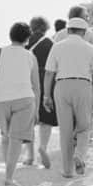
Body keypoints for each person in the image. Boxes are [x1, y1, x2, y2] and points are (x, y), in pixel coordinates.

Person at [42, 17, 93, 177]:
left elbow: (49, 72)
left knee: (65, 130)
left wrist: (46, 95)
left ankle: (67, 170)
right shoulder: (90, 48)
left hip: (61, 86)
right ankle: (80, 155)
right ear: (84, 32)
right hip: (83, 86)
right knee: (84, 127)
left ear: (68, 30)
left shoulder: (57, 46)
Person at [0, 23, 40, 186]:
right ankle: (9, 178)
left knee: (6, 136)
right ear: (27, 39)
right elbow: (36, 86)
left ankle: (8, 173)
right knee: (16, 139)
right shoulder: (30, 56)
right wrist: (36, 110)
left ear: (11, 35)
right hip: (24, 99)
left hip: (0, 100)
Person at [23, 16, 57, 168]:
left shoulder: (24, 41)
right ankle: (42, 147)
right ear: (46, 28)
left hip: (27, 80)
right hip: (45, 80)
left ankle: (29, 156)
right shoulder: (50, 43)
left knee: (29, 119)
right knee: (46, 118)